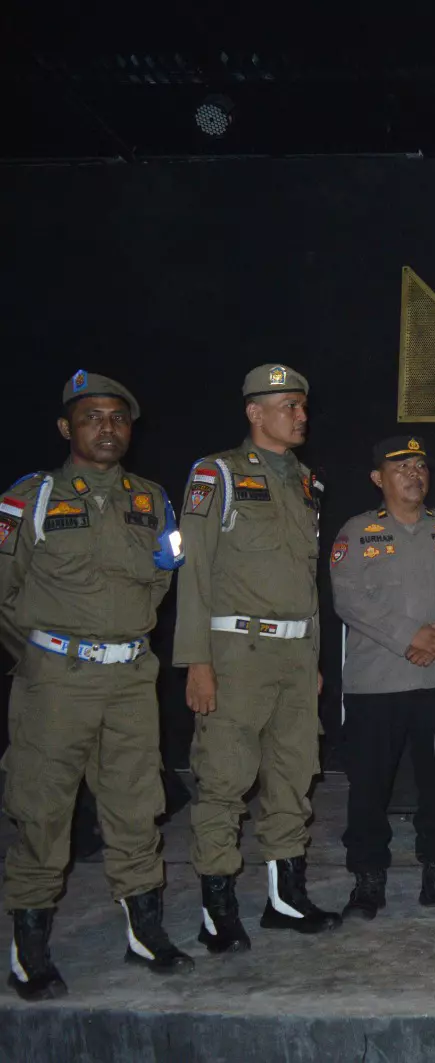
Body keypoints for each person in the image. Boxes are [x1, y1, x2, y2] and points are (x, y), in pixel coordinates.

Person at [1, 371, 191, 1000]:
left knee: (138, 806)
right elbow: (4, 593)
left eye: (118, 418)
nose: (107, 428)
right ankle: (30, 949)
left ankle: (145, 932)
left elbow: (162, 579)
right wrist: (44, 655)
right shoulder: (31, 498)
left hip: (131, 678)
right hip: (57, 682)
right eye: (92, 417)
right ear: (67, 428)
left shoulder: (152, 499)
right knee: (42, 810)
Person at [175, 363, 341, 952]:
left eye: (303, 405)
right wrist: (196, 661)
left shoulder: (307, 482)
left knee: (293, 777)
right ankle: (218, 911)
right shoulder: (217, 473)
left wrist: (312, 656)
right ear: (254, 412)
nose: (301, 415)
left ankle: (285, 899)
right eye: (288, 406)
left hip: (295, 653)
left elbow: (304, 579)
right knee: (224, 779)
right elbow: (194, 572)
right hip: (237, 652)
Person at [330, 436, 435, 919]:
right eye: (401, 468)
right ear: (378, 478)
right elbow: (348, 599)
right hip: (376, 683)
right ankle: (367, 882)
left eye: (420, 466)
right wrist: (409, 637)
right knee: (369, 789)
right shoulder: (357, 531)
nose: (414, 475)